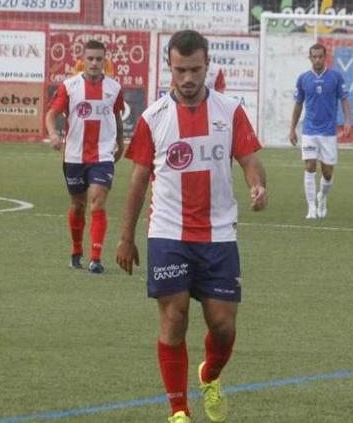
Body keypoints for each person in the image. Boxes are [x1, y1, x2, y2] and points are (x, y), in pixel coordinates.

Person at [115, 30, 267, 423]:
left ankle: (210, 375)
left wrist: (257, 185)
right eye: (180, 69)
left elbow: (249, 159)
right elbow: (137, 180)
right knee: (174, 317)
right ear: (170, 66)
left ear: (207, 64)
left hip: (219, 235)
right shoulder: (154, 118)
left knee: (223, 327)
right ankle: (178, 411)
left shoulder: (230, 111)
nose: (188, 78)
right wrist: (125, 237)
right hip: (168, 232)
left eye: (195, 69)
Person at [45, 40, 124, 273]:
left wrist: (120, 143)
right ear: (82, 60)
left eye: (99, 59)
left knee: (98, 201)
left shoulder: (114, 88)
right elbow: (52, 114)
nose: (94, 63)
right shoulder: (69, 87)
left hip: (103, 154)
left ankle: (96, 258)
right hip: (74, 156)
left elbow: (117, 117)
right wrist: (53, 134)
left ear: (105, 61)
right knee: (78, 205)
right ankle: (76, 250)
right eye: (90, 58)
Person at [288, 43, 352, 219]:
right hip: (309, 130)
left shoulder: (335, 77)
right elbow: (298, 105)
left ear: (325, 57)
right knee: (309, 166)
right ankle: (311, 208)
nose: (317, 60)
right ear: (310, 58)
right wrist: (292, 128)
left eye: (320, 56)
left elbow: (344, 99)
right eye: (314, 57)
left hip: (328, 132)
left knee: (328, 173)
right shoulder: (303, 79)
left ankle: (322, 197)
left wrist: (347, 120)